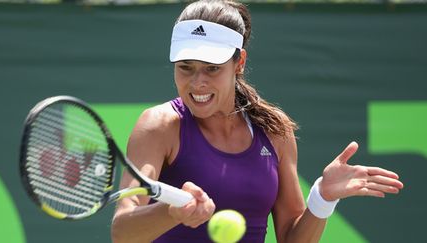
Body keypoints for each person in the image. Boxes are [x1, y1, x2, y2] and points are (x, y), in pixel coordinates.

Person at [111, 0, 404, 242]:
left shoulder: (275, 131)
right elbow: (122, 231)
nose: (197, 83)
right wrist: (170, 213)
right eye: (185, 68)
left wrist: (322, 197)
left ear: (239, 63)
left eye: (212, 69)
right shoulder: (159, 125)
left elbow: (291, 238)